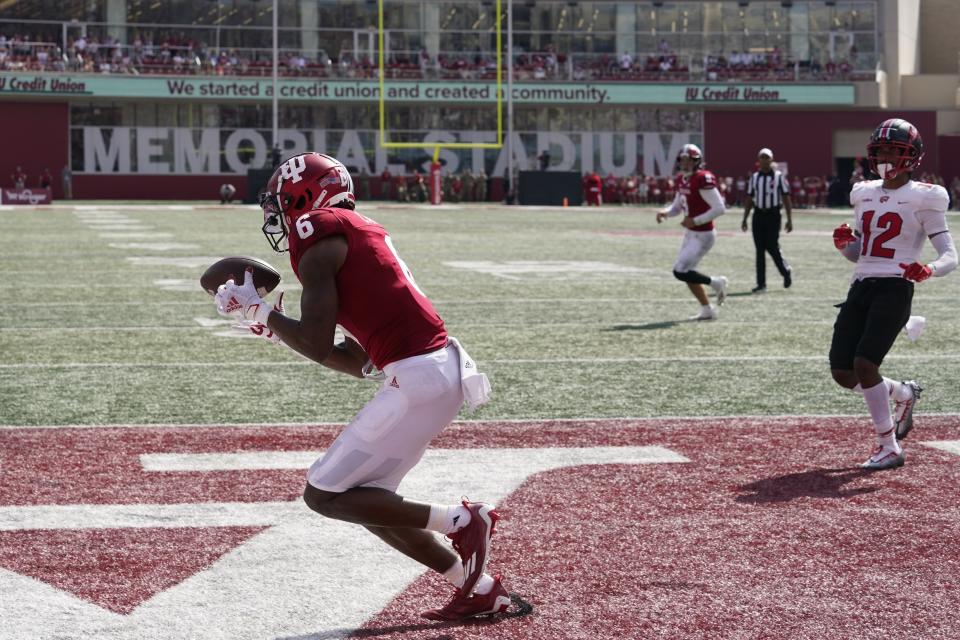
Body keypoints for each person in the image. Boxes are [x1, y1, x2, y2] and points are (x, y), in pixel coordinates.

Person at [213, 152, 508, 620]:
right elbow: (356, 360)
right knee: (367, 501)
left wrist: (262, 311)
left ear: (303, 196)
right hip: (432, 372)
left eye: (282, 203)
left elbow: (313, 341)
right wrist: (271, 325)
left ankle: (462, 519)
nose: (280, 215)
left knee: (323, 494)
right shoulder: (355, 232)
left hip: (421, 377)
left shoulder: (316, 229)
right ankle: (481, 589)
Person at [830, 118, 957, 470]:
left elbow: (951, 255)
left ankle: (889, 446)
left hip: (895, 288)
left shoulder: (926, 196)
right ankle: (903, 393)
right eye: (880, 149)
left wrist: (928, 269)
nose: (885, 155)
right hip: (861, 285)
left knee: (865, 364)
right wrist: (846, 246)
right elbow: (864, 253)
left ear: (911, 156)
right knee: (843, 372)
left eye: (893, 150)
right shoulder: (864, 192)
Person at [656, 144, 729, 320]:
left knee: (679, 270)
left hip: (703, 234)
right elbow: (677, 207)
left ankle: (717, 283)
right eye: (683, 160)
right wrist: (666, 212)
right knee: (689, 273)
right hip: (691, 233)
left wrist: (695, 220)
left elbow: (720, 208)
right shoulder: (683, 179)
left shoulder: (703, 178)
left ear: (697, 161)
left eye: (689, 160)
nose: (685, 163)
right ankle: (707, 310)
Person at [741, 148, 793, 293]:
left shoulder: (778, 176)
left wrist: (789, 219)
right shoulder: (754, 177)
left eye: (767, 157)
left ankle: (785, 271)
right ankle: (761, 284)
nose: (764, 160)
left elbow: (786, 198)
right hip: (758, 215)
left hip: (773, 215)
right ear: (758, 160)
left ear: (771, 159)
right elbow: (750, 199)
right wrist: (744, 218)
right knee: (759, 250)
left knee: (772, 246)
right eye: (762, 157)